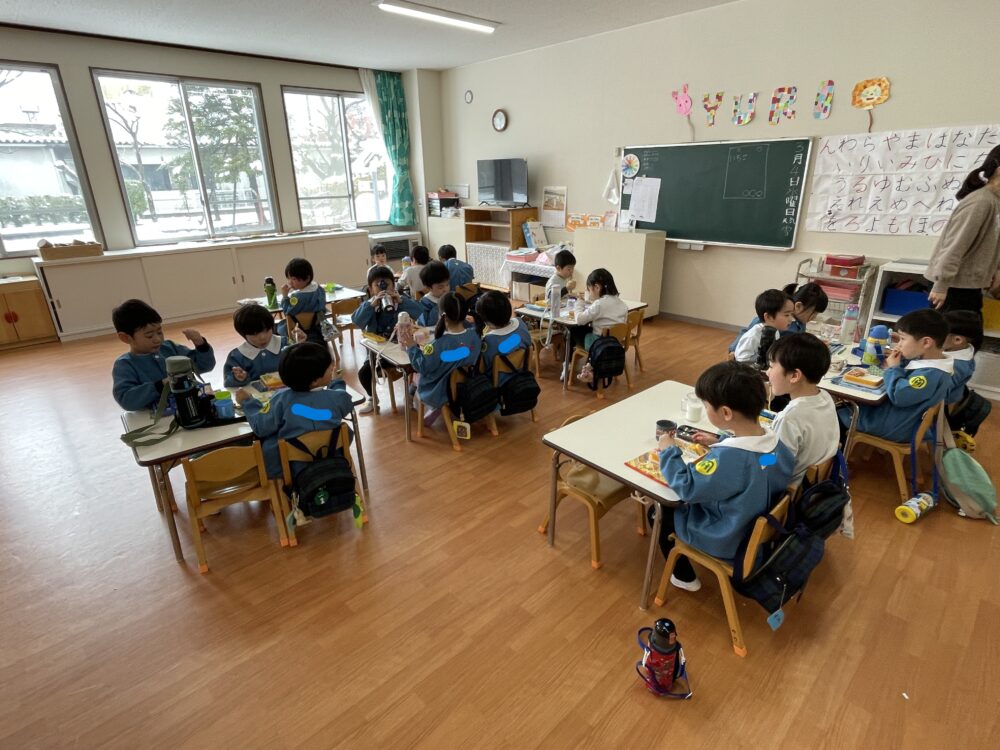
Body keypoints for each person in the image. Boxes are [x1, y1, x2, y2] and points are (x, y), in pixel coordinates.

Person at [654, 361, 794, 591]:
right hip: (750, 527)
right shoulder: (776, 447)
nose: (705, 409)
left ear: (726, 413)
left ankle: (683, 576)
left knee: (660, 510)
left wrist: (669, 449)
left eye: (706, 405)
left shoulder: (730, 460)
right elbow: (759, 464)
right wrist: (722, 441)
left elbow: (686, 486)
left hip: (726, 537)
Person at [234, 342, 354, 479]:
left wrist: (247, 402)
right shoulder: (337, 398)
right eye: (329, 369)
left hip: (291, 470)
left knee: (270, 438)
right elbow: (344, 400)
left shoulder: (280, 399)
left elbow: (260, 427)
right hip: (333, 458)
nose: (332, 368)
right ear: (315, 381)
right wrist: (337, 383)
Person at [837, 309, 953, 443]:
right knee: (844, 403)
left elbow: (899, 396)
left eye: (903, 339)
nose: (899, 344)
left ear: (926, 342)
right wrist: (893, 364)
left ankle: (837, 454)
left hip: (895, 425)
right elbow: (901, 375)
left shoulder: (930, 375)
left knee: (837, 413)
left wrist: (893, 368)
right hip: (899, 418)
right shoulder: (930, 362)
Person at [925, 145, 1000, 314]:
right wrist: (941, 284)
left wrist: (996, 270)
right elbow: (955, 245)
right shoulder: (980, 202)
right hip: (952, 286)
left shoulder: (995, 201)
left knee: (970, 329)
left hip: (969, 285)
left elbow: (993, 244)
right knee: (950, 330)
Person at [111, 299, 215, 411]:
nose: (158, 339)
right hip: (158, 417)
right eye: (149, 336)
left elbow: (205, 366)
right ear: (125, 338)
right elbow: (126, 400)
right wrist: (160, 385)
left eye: (159, 332)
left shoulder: (170, 348)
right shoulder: (125, 365)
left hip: (192, 405)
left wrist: (201, 345)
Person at [765, 334, 839, 487]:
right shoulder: (825, 397)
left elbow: (773, 464)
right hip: (815, 484)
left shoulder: (791, 417)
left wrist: (752, 456)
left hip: (789, 491)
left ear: (794, 376)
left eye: (771, 366)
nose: (767, 372)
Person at [400, 292, 481, 427]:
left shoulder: (437, 344)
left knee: (416, 376)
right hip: (468, 384)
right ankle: (437, 408)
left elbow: (422, 366)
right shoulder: (475, 335)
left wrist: (412, 347)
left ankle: (435, 406)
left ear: (442, 315)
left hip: (440, 390)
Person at [351, 264, 422, 414]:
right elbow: (357, 321)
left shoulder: (401, 302)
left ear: (394, 286)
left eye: (387, 284)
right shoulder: (369, 305)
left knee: (421, 365)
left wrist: (401, 301)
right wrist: (371, 306)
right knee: (364, 373)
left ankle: (411, 393)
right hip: (378, 354)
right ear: (370, 290)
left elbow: (420, 312)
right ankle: (372, 398)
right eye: (378, 285)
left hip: (402, 350)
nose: (383, 288)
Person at [728, 282, 828, 352]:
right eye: (814, 313)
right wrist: (733, 351)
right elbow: (746, 334)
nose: (814, 317)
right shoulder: (771, 320)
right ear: (798, 306)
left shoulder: (799, 321)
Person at [223, 303, 289, 388]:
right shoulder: (237, 356)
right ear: (243, 334)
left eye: (267, 330)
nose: (262, 337)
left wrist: (301, 344)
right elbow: (228, 383)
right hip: (255, 396)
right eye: (255, 334)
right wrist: (238, 379)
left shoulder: (285, 344)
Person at [476, 290, 532, 384]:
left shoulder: (489, 341)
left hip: (500, 384)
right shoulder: (521, 324)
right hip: (522, 377)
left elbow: (482, 368)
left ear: (486, 320)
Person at [733, 289, 795, 366]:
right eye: (787, 315)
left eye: (791, 314)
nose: (791, 319)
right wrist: (762, 358)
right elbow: (741, 359)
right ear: (769, 317)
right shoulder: (753, 336)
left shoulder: (775, 332)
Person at [574, 267, 628, 351]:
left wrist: (579, 303)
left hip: (600, 345)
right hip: (616, 342)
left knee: (574, 330)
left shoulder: (599, 304)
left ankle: (570, 358)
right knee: (587, 328)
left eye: (589, 289)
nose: (589, 293)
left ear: (597, 287)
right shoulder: (621, 303)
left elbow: (579, 319)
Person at [942, 309, 983, 405]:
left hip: (943, 404)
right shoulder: (964, 349)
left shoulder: (957, 366)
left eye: (938, 334)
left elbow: (939, 392)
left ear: (957, 340)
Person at [279, 257, 326, 341]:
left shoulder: (297, 297)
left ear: (307, 278)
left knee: (279, 327)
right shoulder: (319, 289)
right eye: (288, 278)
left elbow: (287, 312)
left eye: (294, 279)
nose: (290, 282)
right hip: (318, 328)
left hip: (298, 329)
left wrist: (285, 296)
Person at [415, 260, 451, 327]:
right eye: (440, 287)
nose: (446, 289)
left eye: (447, 284)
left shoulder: (450, 297)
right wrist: (440, 304)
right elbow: (426, 323)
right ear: (428, 288)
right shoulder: (425, 302)